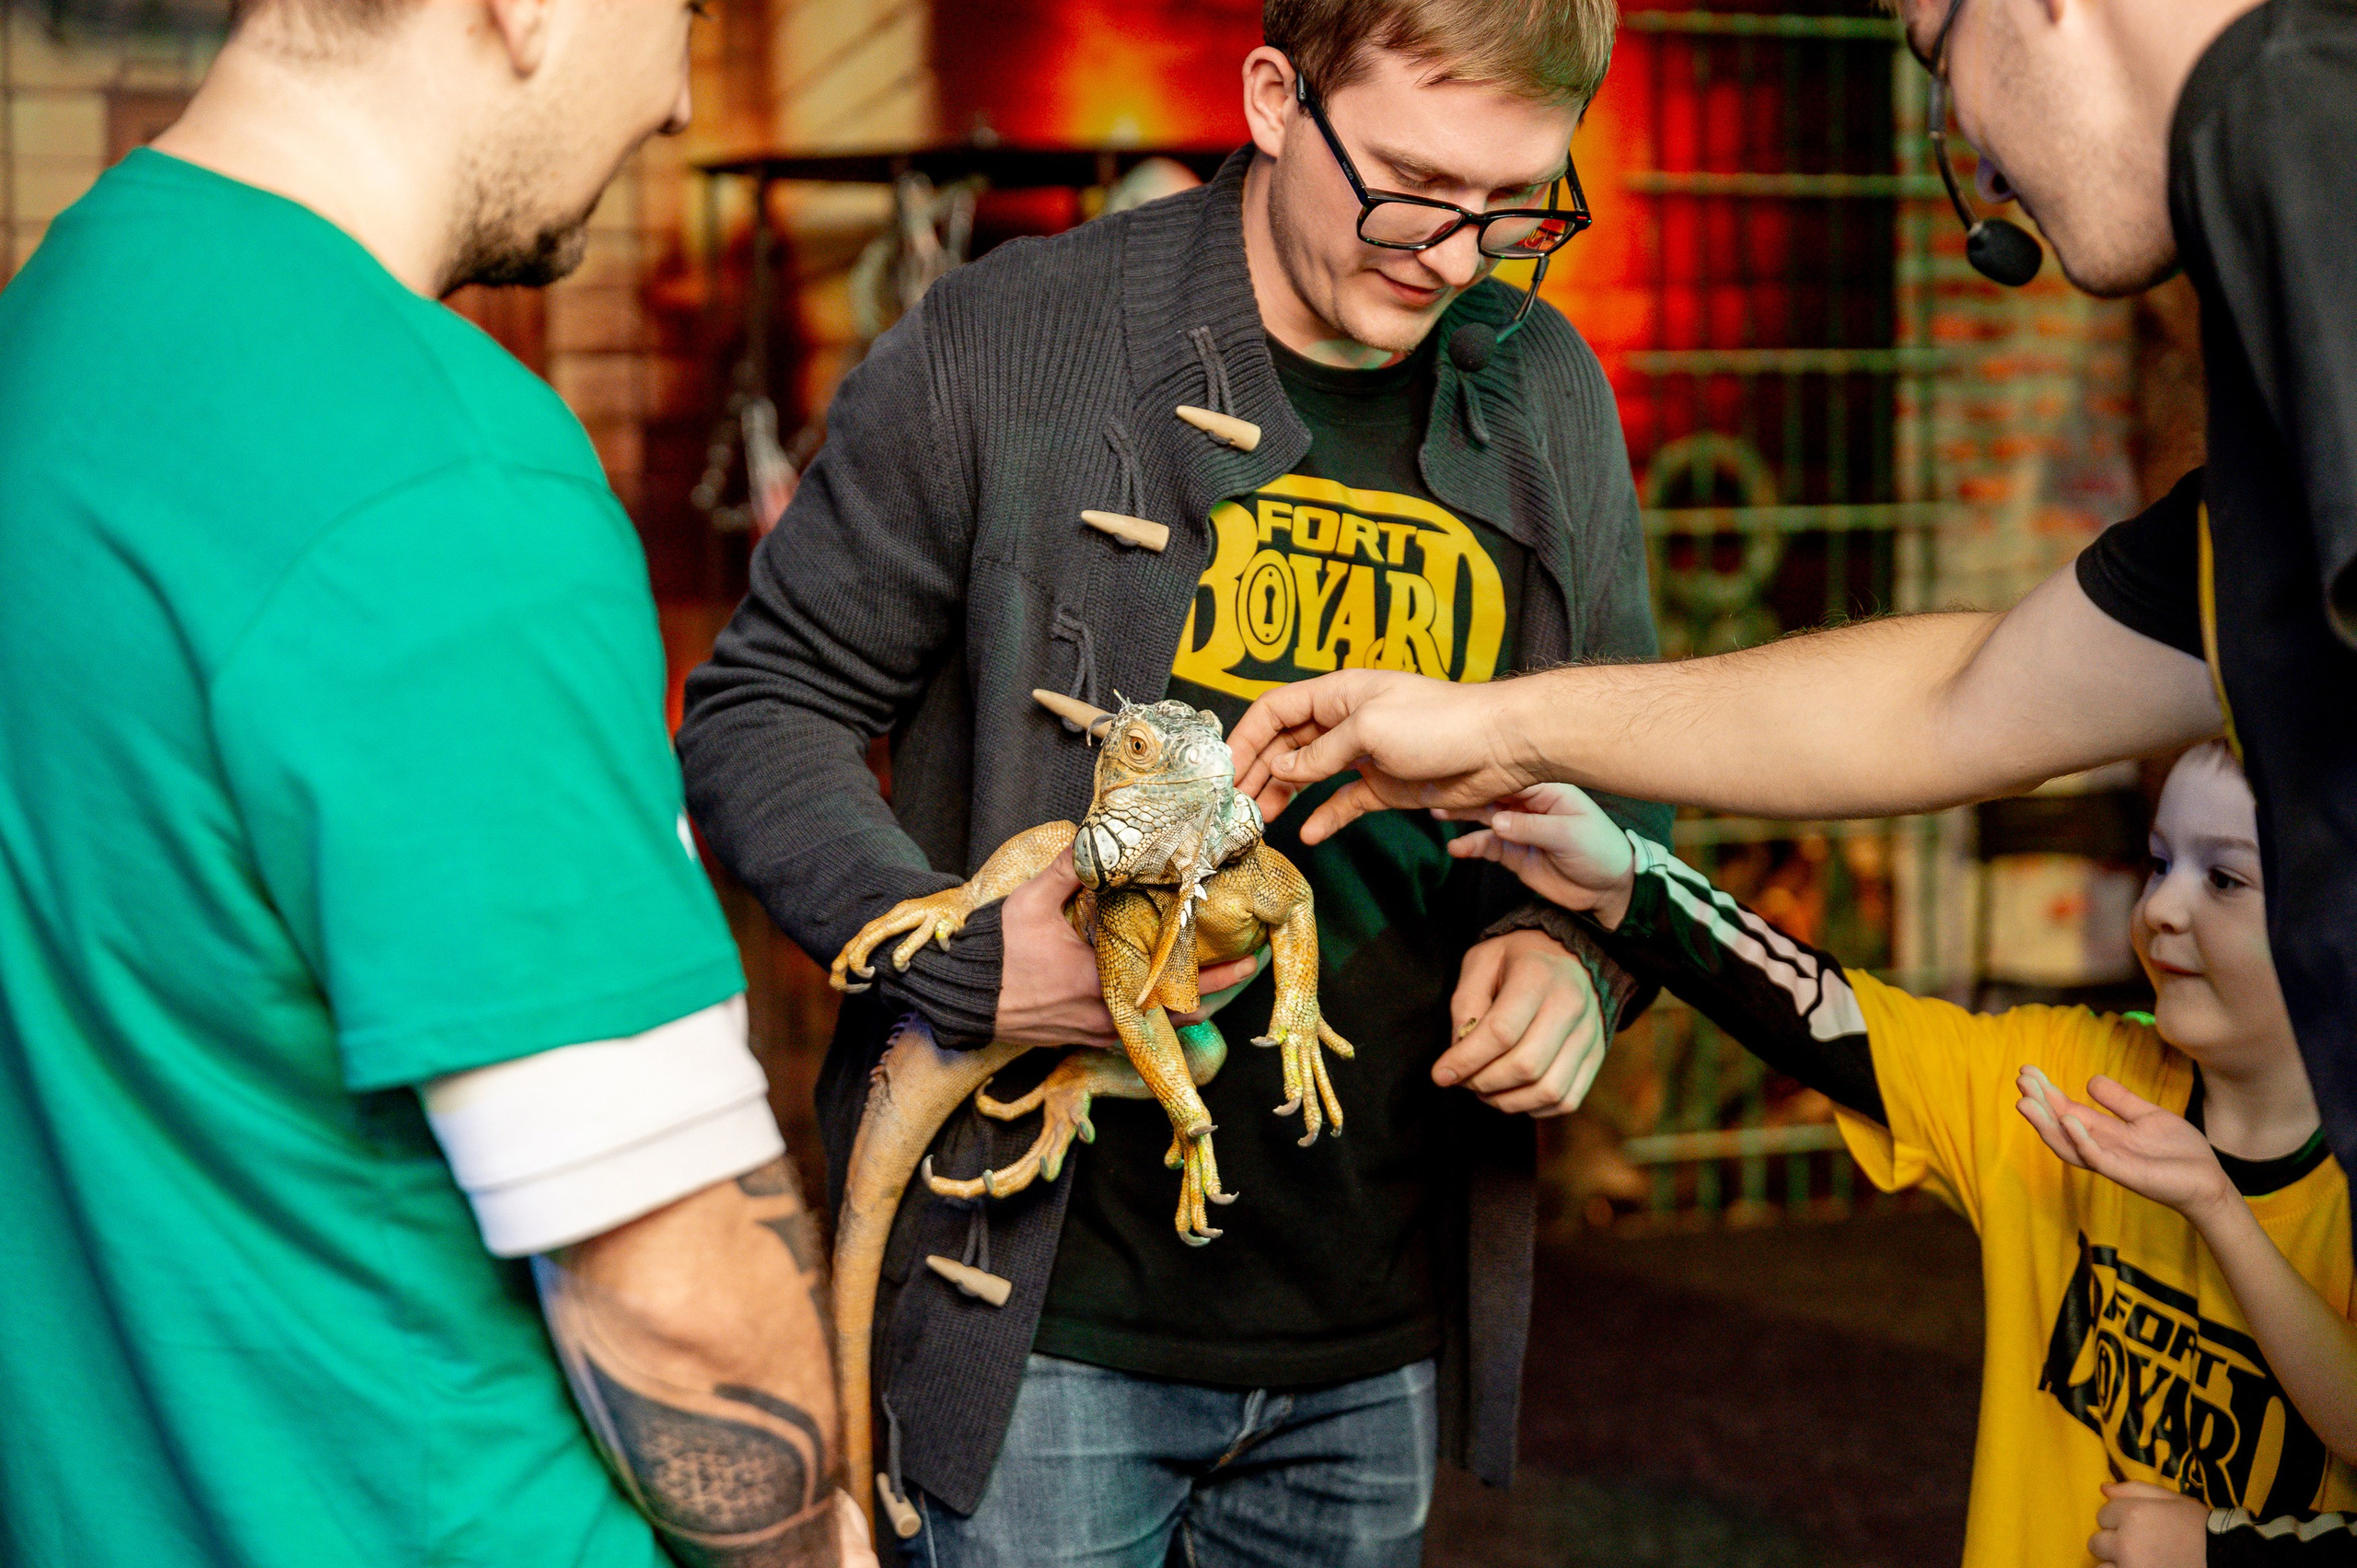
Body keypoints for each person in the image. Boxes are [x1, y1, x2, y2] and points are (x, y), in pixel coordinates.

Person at [676, 0, 1664, 1558]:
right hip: (1043, 1319)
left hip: (1367, 1315)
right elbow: (760, 709)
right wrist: (968, 961)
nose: (1457, 257)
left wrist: (1572, 956)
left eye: (1514, 205)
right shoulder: (1006, 341)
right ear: (1274, 98)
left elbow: (1628, 776)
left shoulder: (1542, 393)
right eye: (1411, 185)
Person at [1227, 0, 2357, 1225]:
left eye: (1938, 60)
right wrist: (1494, 725)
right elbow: (1957, 700)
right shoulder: (2275, 411)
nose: (1975, 160)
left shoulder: (2295, 112)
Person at [0, 3, 867, 1565]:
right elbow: (675, 1309)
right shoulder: (442, 488)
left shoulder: (61, 323)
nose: (675, 101)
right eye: (676, 14)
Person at [1445, 746, 2356, 1564]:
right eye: (2159, 862)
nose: (2160, 907)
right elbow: (1833, 1024)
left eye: (2225, 879)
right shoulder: (2077, 1072)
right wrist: (1628, 882)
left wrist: (2221, 1550)